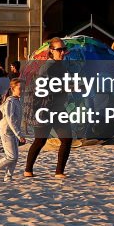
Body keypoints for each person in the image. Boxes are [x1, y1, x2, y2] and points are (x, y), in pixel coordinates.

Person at [25, 37, 74, 179]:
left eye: (64, 49)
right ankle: (28, 170)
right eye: (59, 50)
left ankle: (59, 172)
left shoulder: (61, 66)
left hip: (58, 108)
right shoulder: (48, 66)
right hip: (45, 108)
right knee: (40, 141)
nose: (63, 52)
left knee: (66, 139)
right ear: (51, 51)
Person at [0, 78, 26, 181]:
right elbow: (10, 119)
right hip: (6, 131)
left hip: (13, 131)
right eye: (20, 88)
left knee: (15, 157)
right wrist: (19, 134)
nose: (22, 90)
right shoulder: (10, 102)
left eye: (23, 88)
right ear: (13, 89)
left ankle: (8, 177)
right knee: (11, 156)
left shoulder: (17, 100)